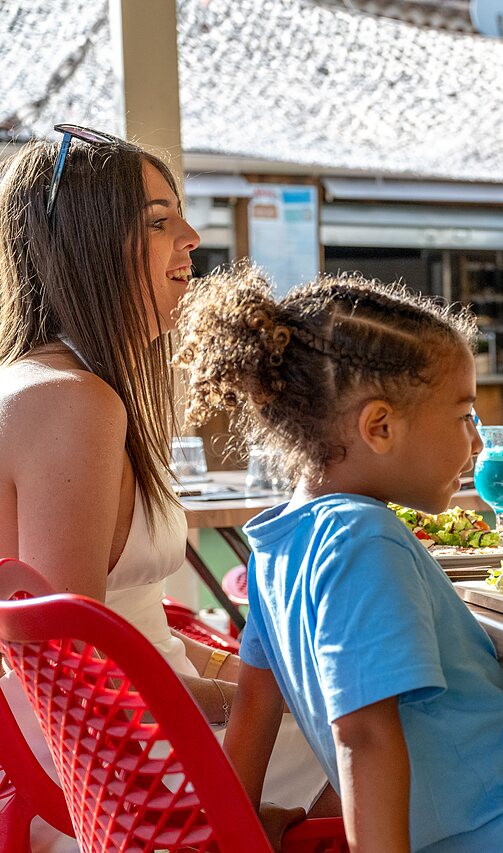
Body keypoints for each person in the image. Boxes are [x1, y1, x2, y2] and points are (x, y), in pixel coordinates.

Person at [174, 266, 503, 852]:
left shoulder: (279, 542)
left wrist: (235, 833)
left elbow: (255, 705)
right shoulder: (361, 540)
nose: (476, 443)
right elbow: (365, 739)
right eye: (462, 415)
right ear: (379, 426)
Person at [0, 126, 327, 849]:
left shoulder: (49, 385)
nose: (191, 234)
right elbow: (79, 679)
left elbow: (123, 618)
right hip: (128, 778)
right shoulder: (70, 402)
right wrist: (252, 694)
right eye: (157, 220)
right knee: (404, 723)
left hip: (136, 739)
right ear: (85, 245)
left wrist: (237, 675)